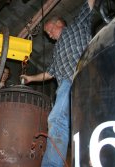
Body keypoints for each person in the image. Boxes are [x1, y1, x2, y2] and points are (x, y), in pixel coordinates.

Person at [21, 0, 96, 166]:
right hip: (68, 87)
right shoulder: (56, 52)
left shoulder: (77, 26)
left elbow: (89, 4)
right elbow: (50, 73)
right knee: (70, 124)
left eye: (49, 30)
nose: (48, 35)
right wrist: (31, 78)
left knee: (57, 119)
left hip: (82, 77)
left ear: (58, 23)